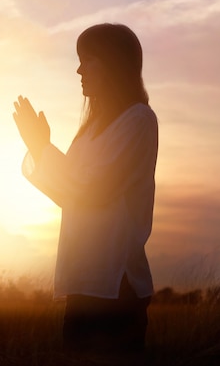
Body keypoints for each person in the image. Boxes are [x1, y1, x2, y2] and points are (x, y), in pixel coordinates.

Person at [13, 23, 158, 355]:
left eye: (88, 59)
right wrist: (39, 148)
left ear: (114, 64)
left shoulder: (138, 120)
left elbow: (93, 188)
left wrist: (44, 148)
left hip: (115, 286)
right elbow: (69, 195)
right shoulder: (91, 131)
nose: (79, 69)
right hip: (83, 281)